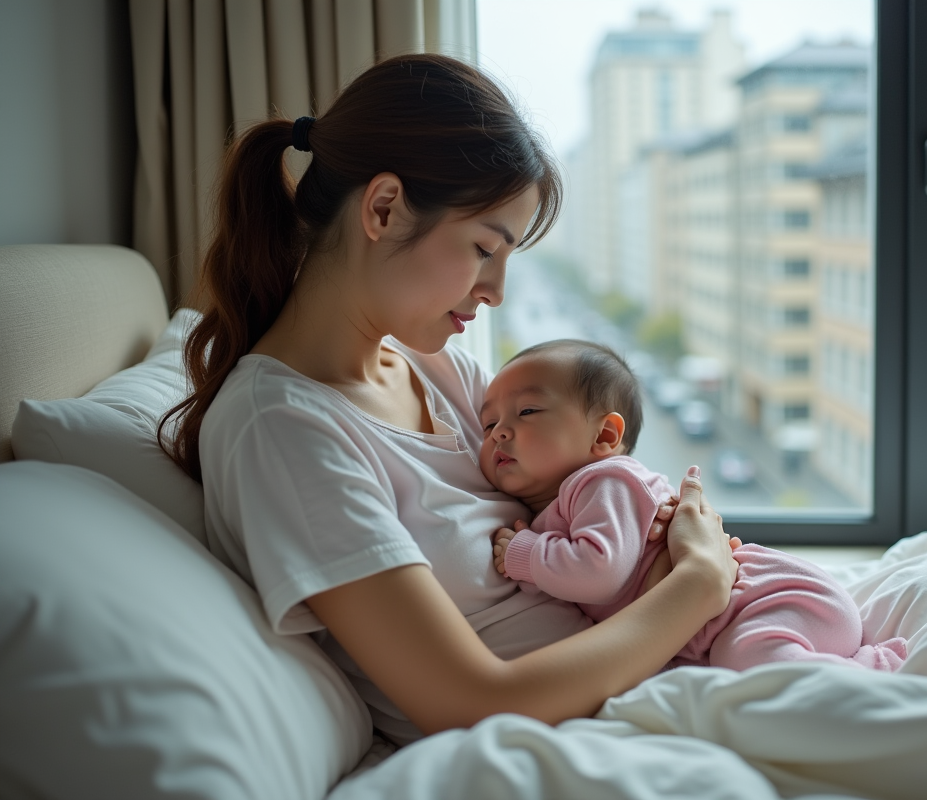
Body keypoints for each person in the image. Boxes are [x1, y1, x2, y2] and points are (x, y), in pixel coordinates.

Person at [158, 54, 739, 747]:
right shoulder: (282, 431)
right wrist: (699, 581)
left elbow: (577, 503)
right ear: (382, 209)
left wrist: (656, 529)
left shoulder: (441, 373)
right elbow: (469, 702)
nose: (495, 291)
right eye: (484, 248)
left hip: (655, 673)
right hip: (577, 731)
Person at [483, 340, 907, 672]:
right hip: (742, 612)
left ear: (605, 438)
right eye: (488, 423)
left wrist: (525, 554)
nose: (500, 432)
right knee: (742, 666)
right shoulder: (563, 503)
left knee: (755, 662)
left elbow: (598, 570)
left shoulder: (604, 479)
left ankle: (874, 669)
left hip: (768, 599)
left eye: (528, 410)